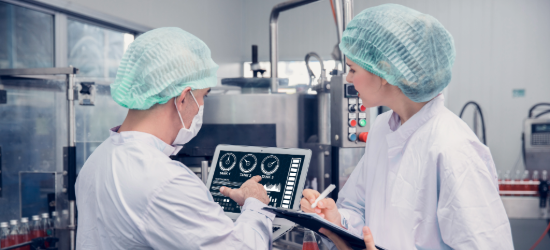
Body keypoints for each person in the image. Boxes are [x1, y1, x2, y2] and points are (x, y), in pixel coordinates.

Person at [301, 4, 513, 250]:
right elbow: (359, 208)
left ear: (385, 71)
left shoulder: (453, 148)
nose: (348, 79)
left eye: (352, 69)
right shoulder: (382, 128)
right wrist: (336, 219)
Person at [75, 27, 274, 250]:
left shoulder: (97, 159)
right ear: (182, 100)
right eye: (203, 96)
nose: (202, 106)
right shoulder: (165, 180)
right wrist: (255, 204)